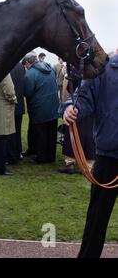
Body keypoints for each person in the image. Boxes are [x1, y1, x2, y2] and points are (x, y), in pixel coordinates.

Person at [63, 53, 118, 258]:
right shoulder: (103, 69)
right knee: (96, 221)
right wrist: (71, 108)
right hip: (108, 158)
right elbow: (83, 98)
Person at [23, 52, 60, 164]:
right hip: (53, 107)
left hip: (39, 108)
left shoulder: (30, 74)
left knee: (41, 134)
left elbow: (28, 92)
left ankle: (41, 157)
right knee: (52, 133)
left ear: (29, 63)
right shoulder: (50, 67)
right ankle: (51, 157)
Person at [7, 61, 25, 165]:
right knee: (17, 131)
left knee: (9, 132)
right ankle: (18, 153)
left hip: (10, 103)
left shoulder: (7, 66)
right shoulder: (20, 67)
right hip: (20, 103)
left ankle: (11, 155)